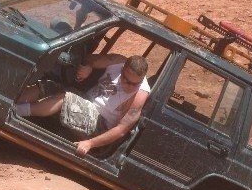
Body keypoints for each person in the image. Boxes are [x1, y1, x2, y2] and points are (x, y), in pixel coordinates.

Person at [15, 54, 150, 157]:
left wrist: (90, 143)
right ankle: (12, 100)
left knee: (66, 99)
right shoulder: (117, 62)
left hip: (99, 123)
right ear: (123, 69)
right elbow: (91, 58)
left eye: (134, 84)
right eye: (125, 79)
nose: (128, 85)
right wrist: (89, 68)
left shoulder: (140, 95)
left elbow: (121, 130)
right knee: (48, 86)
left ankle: (15, 112)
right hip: (86, 100)